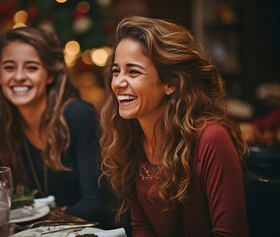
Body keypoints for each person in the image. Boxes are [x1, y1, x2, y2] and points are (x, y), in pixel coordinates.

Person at [99, 16, 249, 236]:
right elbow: (142, 226)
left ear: (170, 82)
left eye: (133, 72)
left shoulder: (211, 139)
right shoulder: (130, 136)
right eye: (116, 71)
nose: (118, 83)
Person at [0, 26, 114, 228]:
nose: (18, 76)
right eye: (9, 67)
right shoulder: (6, 126)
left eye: (31, 67)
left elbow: (95, 204)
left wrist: (40, 223)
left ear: (50, 75)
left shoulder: (78, 115)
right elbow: (23, 202)